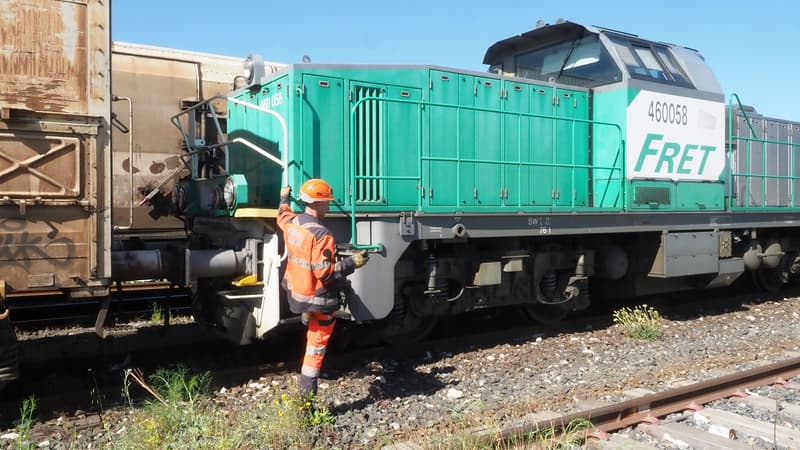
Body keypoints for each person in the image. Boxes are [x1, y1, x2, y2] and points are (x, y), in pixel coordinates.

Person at [277, 178, 369, 399]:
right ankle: (307, 397)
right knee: (316, 348)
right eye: (327, 202)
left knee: (312, 327)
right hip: (317, 298)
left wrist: (283, 198)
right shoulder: (321, 234)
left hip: (297, 292)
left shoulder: (293, 224)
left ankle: (307, 316)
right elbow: (325, 274)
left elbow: (282, 215)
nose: (329, 206)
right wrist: (352, 263)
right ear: (317, 204)